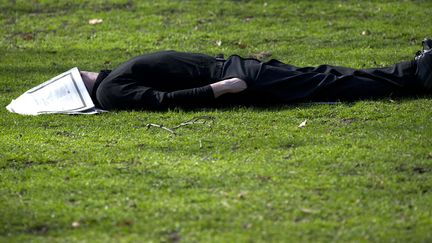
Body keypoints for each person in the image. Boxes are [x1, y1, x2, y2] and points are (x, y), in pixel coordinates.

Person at [80, 38, 432, 111]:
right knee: (325, 82)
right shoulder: (111, 92)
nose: (79, 70)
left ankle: (414, 70)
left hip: (233, 68)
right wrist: (221, 89)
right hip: (235, 78)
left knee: (320, 76)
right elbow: (165, 101)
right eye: (74, 76)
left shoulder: (111, 80)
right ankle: (417, 74)